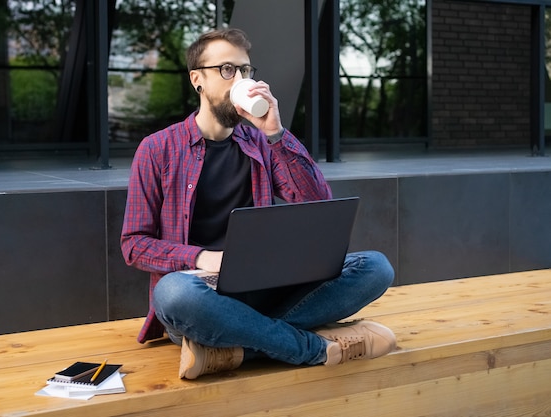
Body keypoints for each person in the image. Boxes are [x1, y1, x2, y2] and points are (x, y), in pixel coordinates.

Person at [121, 28, 396, 380]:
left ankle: (233, 348)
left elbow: (316, 203)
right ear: (197, 80)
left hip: (266, 287)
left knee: (375, 267)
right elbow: (134, 244)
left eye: (245, 70)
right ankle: (310, 348)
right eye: (227, 70)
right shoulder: (158, 149)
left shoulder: (261, 142)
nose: (240, 79)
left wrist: (276, 133)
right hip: (202, 296)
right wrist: (206, 258)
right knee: (171, 293)